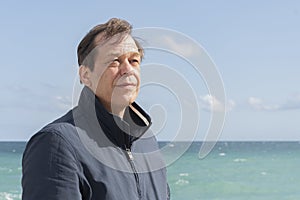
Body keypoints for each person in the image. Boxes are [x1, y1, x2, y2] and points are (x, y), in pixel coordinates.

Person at [22, 18, 170, 200]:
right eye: (114, 61)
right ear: (85, 75)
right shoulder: (57, 143)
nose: (127, 69)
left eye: (134, 61)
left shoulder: (147, 141)